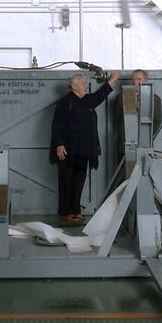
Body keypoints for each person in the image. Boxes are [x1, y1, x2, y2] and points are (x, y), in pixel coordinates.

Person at [50, 70, 120, 222]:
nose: (86, 85)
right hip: (68, 150)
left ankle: (75, 209)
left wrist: (112, 80)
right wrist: (59, 144)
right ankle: (64, 212)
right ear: (74, 87)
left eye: (85, 83)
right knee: (66, 181)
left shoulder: (87, 100)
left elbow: (99, 96)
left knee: (79, 181)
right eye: (82, 83)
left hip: (83, 150)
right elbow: (57, 125)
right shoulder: (65, 102)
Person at [110, 69, 162, 185]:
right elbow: (117, 120)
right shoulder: (121, 98)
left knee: (144, 178)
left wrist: (144, 137)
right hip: (124, 146)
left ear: (146, 80)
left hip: (144, 147)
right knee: (123, 179)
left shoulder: (155, 99)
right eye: (133, 80)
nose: (135, 83)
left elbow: (157, 122)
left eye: (139, 79)